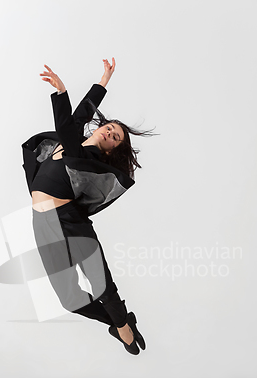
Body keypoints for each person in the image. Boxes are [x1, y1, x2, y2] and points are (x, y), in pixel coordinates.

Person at [22, 58, 156, 355]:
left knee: (101, 285)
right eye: (110, 128)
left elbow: (68, 124)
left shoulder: (86, 155)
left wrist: (61, 93)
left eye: (116, 138)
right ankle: (120, 322)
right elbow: (81, 116)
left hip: (70, 220)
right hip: (42, 223)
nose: (110, 133)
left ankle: (123, 329)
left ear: (111, 149)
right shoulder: (75, 141)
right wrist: (104, 80)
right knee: (69, 299)